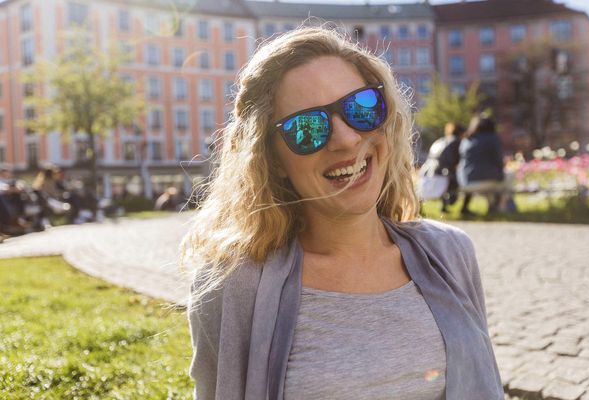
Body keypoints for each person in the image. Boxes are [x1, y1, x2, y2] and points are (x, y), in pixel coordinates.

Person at [182, 27, 503, 400]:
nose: (347, 139)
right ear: (272, 159)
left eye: (361, 108)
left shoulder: (450, 253)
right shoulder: (233, 284)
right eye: (307, 128)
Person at [457, 113, 505, 216]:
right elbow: (499, 160)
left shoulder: (466, 139)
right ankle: (499, 207)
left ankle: (465, 207)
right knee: (506, 176)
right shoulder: (493, 138)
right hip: (488, 180)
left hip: (465, 181)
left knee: (478, 173)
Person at [421, 122, 464, 212]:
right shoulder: (457, 141)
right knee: (453, 181)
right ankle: (447, 205)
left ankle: (421, 208)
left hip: (427, 169)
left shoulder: (440, 140)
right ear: (461, 133)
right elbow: (453, 161)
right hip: (442, 172)